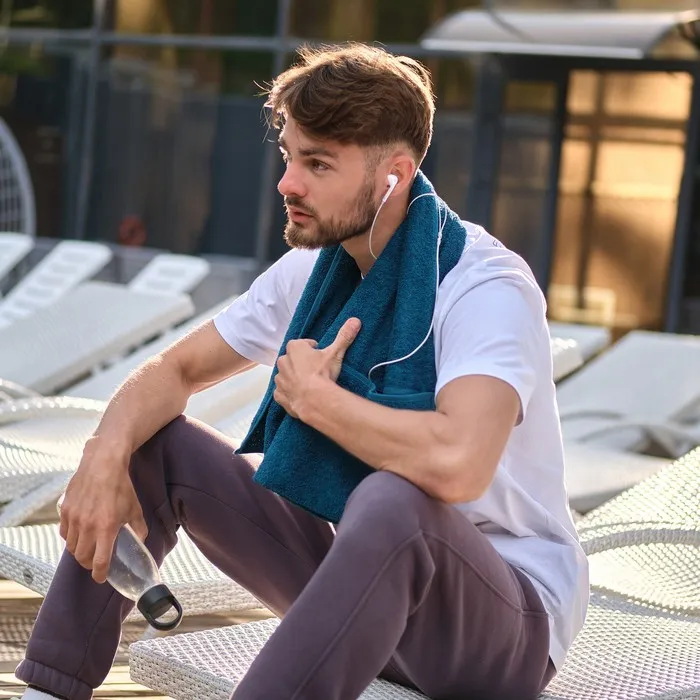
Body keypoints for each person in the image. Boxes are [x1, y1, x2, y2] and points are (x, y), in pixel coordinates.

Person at [15, 43, 589, 700]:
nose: (288, 183)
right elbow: (174, 370)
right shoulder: (315, 270)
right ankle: (48, 692)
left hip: (503, 627)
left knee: (393, 499)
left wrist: (320, 401)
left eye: (318, 164)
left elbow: (460, 464)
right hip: (362, 586)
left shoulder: (484, 288)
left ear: (395, 176)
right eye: (289, 155)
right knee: (155, 441)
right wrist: (102, 456)